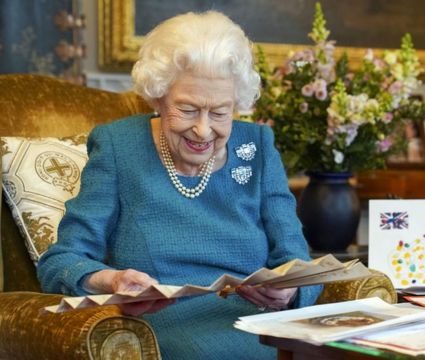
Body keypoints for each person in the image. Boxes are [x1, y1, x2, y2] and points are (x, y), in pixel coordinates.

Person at [37, 11, 321, 359]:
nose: (203, 130)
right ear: (158, 97)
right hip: (167, 331)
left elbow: (296, 257)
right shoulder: (118, 146)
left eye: (219, 113)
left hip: (262, 326)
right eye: (187, 110)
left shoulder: (258, 145)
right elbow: (61, 261)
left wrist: (289, 292)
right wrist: (112, 281)